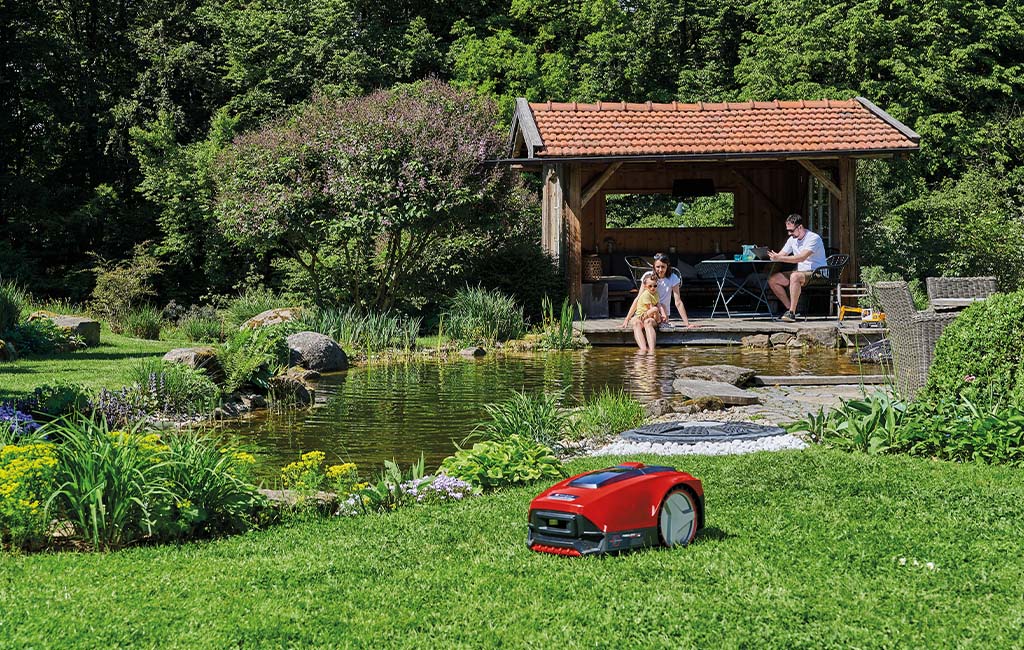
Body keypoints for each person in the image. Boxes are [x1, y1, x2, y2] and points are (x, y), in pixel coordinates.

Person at [767, 213, 828, 322]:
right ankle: (790, 309)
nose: (789, 233)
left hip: (817, 272)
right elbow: (782, 254)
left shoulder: (814, 238)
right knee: (773, 279)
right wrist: (771, 256)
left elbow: (801, 258)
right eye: (788, 231)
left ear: (800, 227)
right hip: (802, 272)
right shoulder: (792, 239)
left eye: (791, 230)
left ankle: (791, 312)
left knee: (795, 276)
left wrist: (779, 258)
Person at [641, 253, 695, 329]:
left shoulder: (673, 278)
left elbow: (678, 302)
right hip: (647, 311)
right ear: (654, 266)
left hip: (663, 315)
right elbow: (639, 297)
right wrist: (626, 319)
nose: (660, 270)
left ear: (667, 266)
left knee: (649, 322)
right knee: (647, 323)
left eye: (663, 267)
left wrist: (687, 324)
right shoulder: (648, 277)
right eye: (657, 267)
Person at [622, 276, 665, 352]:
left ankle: (651, 350)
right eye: (650, 286)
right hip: (642, 315)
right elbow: (651, 308)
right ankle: (643, 349)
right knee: (636, 323)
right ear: (645, 287)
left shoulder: (656, 294)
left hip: (649, 316)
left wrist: (663, 314)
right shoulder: (646, 294)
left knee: (648, 321)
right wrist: (627, 319)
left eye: (655, 286)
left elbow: (658, 304)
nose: (653, 288)